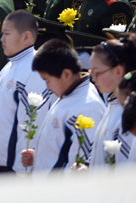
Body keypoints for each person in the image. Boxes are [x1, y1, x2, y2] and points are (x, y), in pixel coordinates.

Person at [22, 40, 106, 175]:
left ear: (66, 74)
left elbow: (78, 166)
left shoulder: (88, 107)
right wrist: (38, 156)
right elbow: (61, 145)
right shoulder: (68, 93)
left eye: (47, 80)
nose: (47, 87)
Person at [0, 11, 52, 173]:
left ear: (26, 37)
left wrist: (23, 172)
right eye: (2, 34)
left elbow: (31, 125)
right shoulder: (9, 66)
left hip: (12, 169)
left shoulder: (34, 70)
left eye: (7, 34)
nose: (1, 39)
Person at [86, 35, 136, 169]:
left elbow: (123, 168)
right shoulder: (113, 102)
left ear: (118, 70)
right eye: (91, 73)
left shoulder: (128, 111)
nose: (93, 79)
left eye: (97, 73)